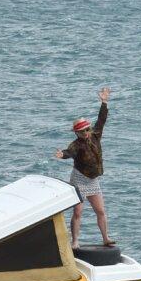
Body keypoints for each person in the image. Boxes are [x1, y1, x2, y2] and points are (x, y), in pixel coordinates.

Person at [54, 87, 113, 248]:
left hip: (93, 180)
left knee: (100, 211)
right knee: (78, 212)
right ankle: (75, 241)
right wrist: (63, 155)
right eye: (82, 131)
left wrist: (104, 102)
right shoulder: (76, 144)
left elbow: (101, 120)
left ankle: (106, 238)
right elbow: (70, 152)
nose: (86, 133)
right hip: (80, 179)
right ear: (77, 133)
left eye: (87, 130)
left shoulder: (95, 135)